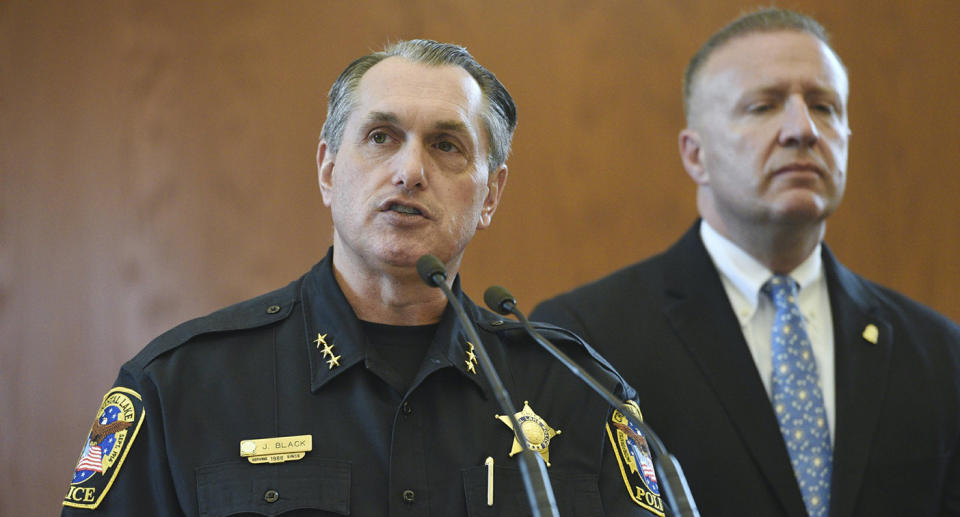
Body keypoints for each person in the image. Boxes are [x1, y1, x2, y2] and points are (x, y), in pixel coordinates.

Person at [62, 39, 667, 516]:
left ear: (491, 195)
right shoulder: (181, 386)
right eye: (381, 137)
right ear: (327, 170)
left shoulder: (580, 392)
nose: (409, 171)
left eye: (447, 146)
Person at [532, 8, 960, 517]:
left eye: (824, 107)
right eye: (764, 106)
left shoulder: (939, 353)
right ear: (696, 156)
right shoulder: (584, 343)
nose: (802, 129)